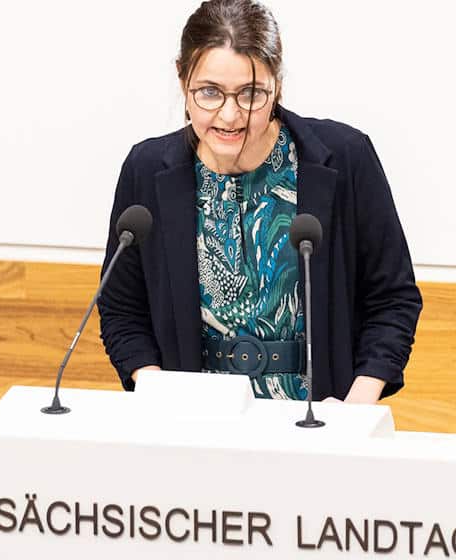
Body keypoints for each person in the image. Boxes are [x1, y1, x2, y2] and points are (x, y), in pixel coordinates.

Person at [97, 0, 422, 404]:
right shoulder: (145, 170)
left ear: (277, 83)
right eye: (209, 93)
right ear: (182, 80)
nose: (230, 115)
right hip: (190, 424)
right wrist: (159, 391)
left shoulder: (346, 158)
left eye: (251, 93)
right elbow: (121, 308)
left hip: (320, 420)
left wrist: (356, 408)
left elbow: (393, 299)